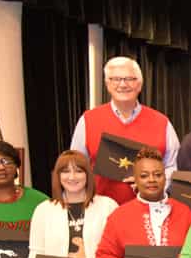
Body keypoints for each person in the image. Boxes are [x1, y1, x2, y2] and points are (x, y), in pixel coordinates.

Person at [71, 56, 180, 204]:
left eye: (130, 79)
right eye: (115, 79)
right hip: (100, 210)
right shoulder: (88, 120)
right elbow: (76, 165)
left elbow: (172, 167)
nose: (123, 84)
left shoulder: (162, 122)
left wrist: (151, 184)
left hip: (150, 208)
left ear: (140, 85)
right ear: (107, 84)